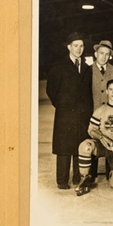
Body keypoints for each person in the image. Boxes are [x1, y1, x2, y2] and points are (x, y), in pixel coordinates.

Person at [46, 32, 94, 190]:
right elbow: (51, 90)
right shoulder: (59, 66)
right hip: (65, 113)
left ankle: (76, 177)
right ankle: (62, 180)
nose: (79, 49)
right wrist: (61, 105)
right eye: (75, 46)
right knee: (64, 146)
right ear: (69, 47)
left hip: (82, 113)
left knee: (79, 144)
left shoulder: (87, 68)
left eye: (81, 46)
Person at [76, 79, 113, 195]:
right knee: (85, 146)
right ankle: (84, 179)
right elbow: (91, 129)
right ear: (107, 91)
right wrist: (102, 137)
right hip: (104, 145)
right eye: (111, 90)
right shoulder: (101, 110)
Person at [91, 39, 113, 111]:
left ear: (110, 56)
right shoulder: (88, 71)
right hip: (93, 112)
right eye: (101, 53)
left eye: (107, 54)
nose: (104, 57)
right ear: (96, 54)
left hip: (112, 112)